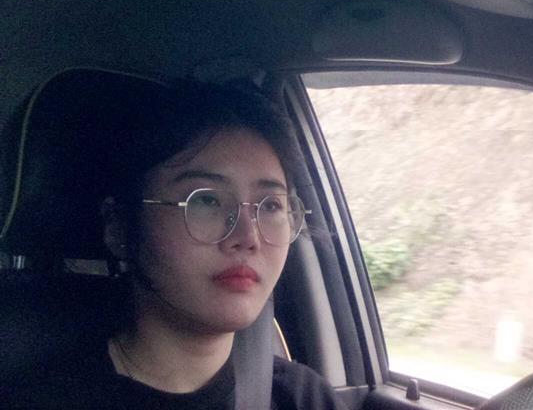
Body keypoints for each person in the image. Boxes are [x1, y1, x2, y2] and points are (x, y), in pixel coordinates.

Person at [5, 81, 348, 410]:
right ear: (120, 226)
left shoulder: (303, 397)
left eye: (271, 205)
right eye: (206, 200)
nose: (248, 237)